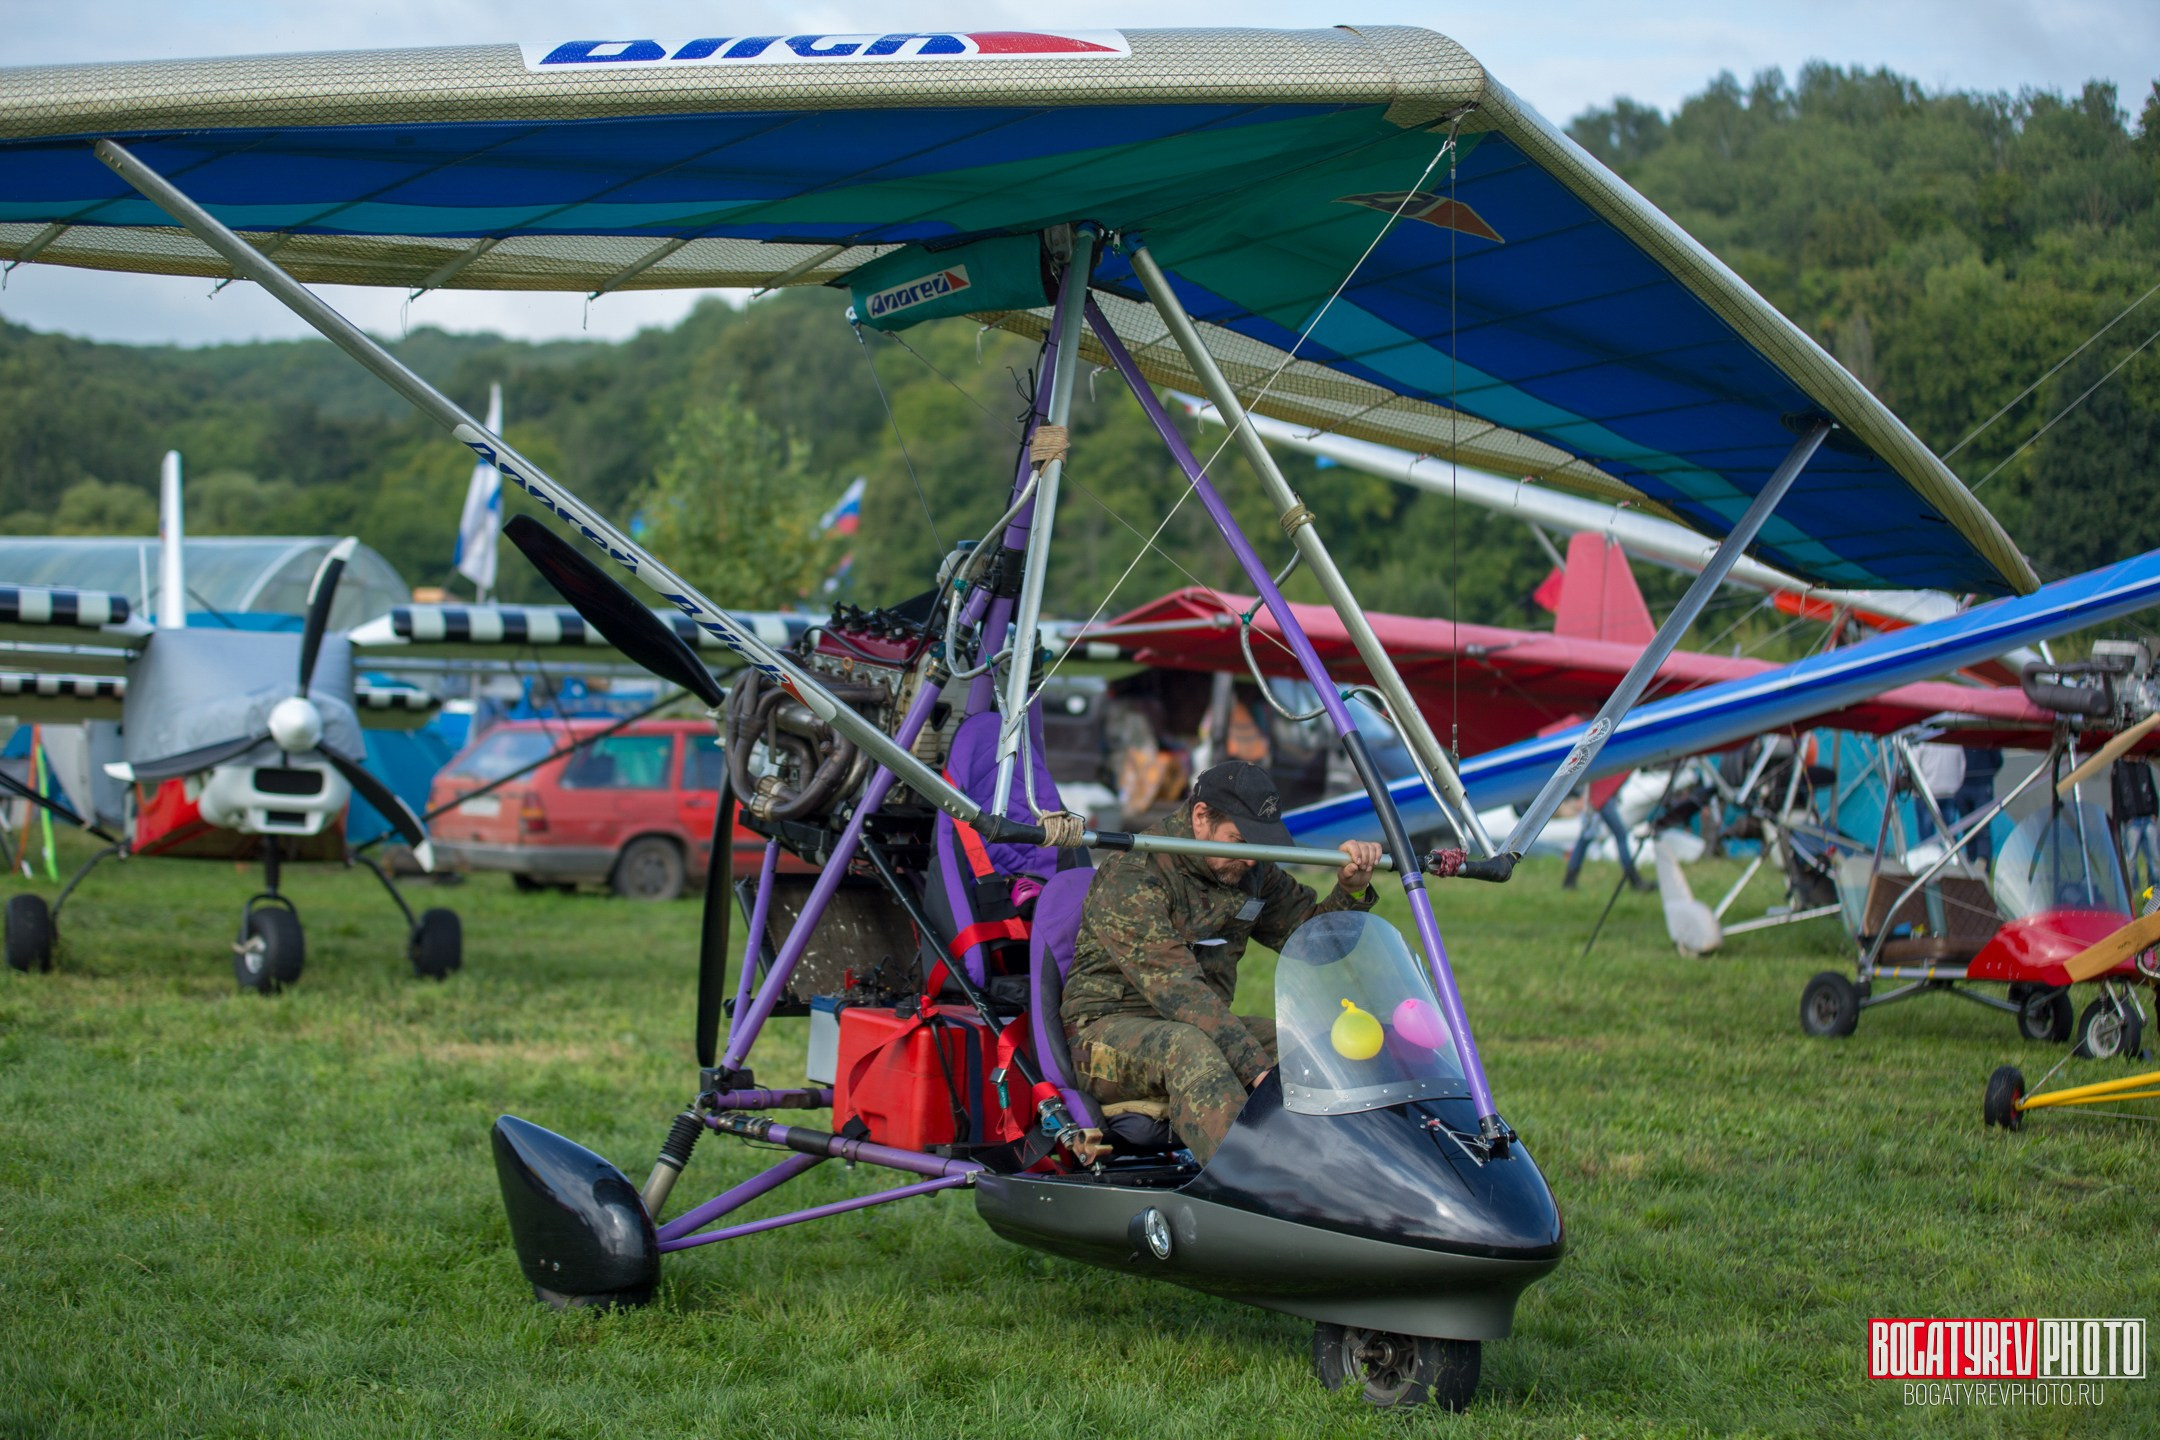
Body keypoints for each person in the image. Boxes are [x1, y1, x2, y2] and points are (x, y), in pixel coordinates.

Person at [1060, 760, 1383, 1164]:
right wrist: (1254, 1068)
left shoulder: (1251, 871)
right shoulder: (1134, 875)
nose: (1250, 858)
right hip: (1104, 1040)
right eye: (1239, 839)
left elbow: (1313, 944)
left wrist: (1351, 891)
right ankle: (1252, 1186)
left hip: (1200, 1027)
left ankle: (1352, 1169)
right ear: (1201, 818)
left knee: (1308, 1047)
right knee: (1190, 1047)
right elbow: (1183, 996)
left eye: (1257, 843)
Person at [1561, 782, 1650, 892]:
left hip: (1599, 798)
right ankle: (1634, 879)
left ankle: (1570, 879)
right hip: (1600, 799)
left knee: (1586, 839)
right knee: (1619, 835)